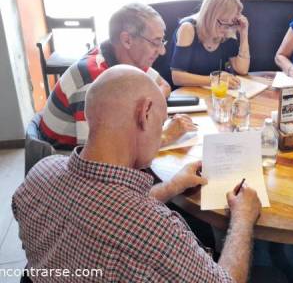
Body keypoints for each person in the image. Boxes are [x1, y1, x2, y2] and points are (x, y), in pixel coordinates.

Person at [13, 65, 262, 282]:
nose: (162, 130)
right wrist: (243, 217)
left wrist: (173, 185)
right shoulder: (154, 229)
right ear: (144, 114)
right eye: (162, 121)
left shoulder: (40, 173)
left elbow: (103, 206)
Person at [39, 3, 195, 151]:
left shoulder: (125, 58)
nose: (162, 51)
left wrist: (145, 111)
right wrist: (164, 135)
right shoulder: (93, 84)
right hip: (64, 161)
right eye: (155, 42)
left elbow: (163, 85)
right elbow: (98, 159)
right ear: (127, 40)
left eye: (162, 41)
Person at [170, 0, 250, 89]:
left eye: (231, 22)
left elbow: (242, 70)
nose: (227, 28)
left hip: (210, 93)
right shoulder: (188, 29)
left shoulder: (227, 29)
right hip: (184, 95)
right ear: (210, 16)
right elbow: (177, 77)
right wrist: (214, 80)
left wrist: (244, 33)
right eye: (224, 22)